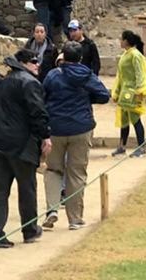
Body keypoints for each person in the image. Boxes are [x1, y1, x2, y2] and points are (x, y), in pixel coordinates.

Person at [0, 49, 51, 249]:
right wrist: (45, 136)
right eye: (33, 61)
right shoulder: (29, 82)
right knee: (27, 188)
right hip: (20, 143)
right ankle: (29, 230)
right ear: (22, 63)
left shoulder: (5, 81)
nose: (37, 64)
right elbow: (37, 112)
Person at [41, 42, 110, 229]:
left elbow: (42, 96)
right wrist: (87, 98)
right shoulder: (86, 75)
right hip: (81, 127)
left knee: (53, 169)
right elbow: (104, 95)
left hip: (56, 128)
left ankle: (53, 209)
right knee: (76, 173)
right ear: (80, 57)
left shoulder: (53, 75)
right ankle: (75, 218)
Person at [112, 30, 146, 157]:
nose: (120, 42)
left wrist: (140, 90)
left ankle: (141, 146)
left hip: (133, 92)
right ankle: (122, 146)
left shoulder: (135, 55)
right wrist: (116, 91)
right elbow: (120, 76)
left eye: (121, 39)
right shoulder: (125, 55)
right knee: (124, 120)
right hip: (124, 92)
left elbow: (140, 73)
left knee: (135, 119)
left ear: (126, 41)